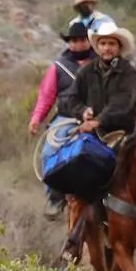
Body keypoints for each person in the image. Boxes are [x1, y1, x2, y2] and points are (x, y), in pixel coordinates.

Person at [30, 20, 95, 218]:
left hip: (95, 118)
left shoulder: (100, 63)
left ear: (88, 41)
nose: (78, 44)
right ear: (69, 43)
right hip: (66, 118)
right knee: (49, 152)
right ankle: (54, 197)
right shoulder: (58, 67)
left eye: (82, 40)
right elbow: (46, 96)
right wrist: (36, 118)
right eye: (74, 41)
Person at [61, 24, 136, 141]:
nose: (107, 48)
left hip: (124, 131)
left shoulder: (128, 73)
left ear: (119, 47)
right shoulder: (86, 71)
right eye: (103, 44)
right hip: (92, 132)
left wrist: (99, 121)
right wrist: (83, 111)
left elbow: (122, 102)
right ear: (97, 47)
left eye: (111, 44)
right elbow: (73, 98)